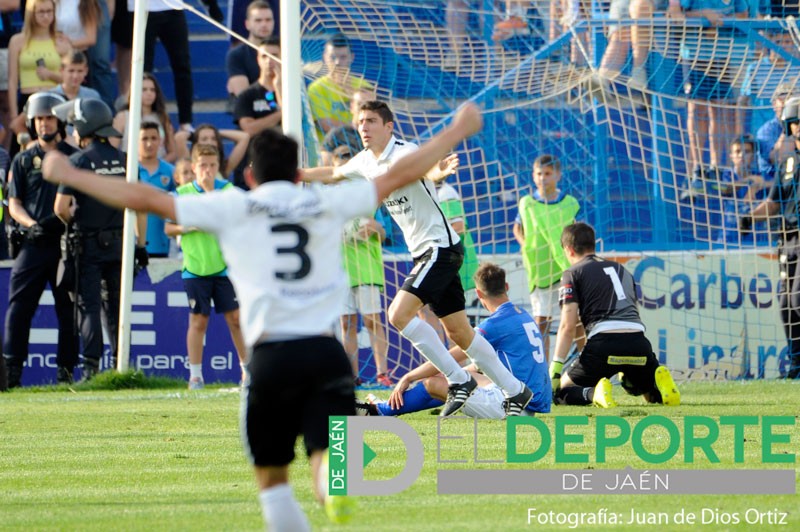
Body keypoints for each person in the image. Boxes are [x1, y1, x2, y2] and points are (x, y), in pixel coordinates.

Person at [40, 101, 484, 531]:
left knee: (272, 482)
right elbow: (401, 173)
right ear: (298, 175)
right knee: (325, 451)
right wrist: (455, 130)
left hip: (270, 357)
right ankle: (334, 483)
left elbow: (146, 199)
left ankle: (316, 490)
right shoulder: (325, 204)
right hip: (327, 354)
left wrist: (71, 174)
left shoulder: (235, 204)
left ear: (250, 176)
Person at [334, 100, 533, 417]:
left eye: (370, 120)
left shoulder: (403, 151)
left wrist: (439, 171)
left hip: (438, 248)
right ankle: (516, 390)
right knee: (460, 333)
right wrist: (301, 173)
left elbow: (427, 168)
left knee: (397, 314)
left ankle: (458, 380)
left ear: (389, 125)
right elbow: (332, 173)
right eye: (360, 122)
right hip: (433, 251)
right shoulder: (364, 162)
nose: (364, 127)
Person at [359, 262, 552, 418]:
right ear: (506, 287)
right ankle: (389, 407)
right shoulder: (522, 314)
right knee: (459, 376)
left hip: (511, 405)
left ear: (478, 293)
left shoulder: (494, 324)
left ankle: (381, 410)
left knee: (433, 383)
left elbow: (451, 357)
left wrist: (408, 377)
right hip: (530, 399)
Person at [52, 97, 148, 380]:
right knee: (117, 307)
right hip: (120, 244)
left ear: (84, 126)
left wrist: (72, 220)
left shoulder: (78, 161)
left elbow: (60, 208)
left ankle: (92, 369)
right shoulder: (125, 160)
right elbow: (139, 206)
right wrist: (140, 245)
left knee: (89, 306)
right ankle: (121, 366)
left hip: (88, 245)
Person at [549, 222, 681, 407]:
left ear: (569, 250)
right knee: (639, 389)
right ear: (593, 245)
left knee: (560, 393)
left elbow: (567, 326)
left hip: (603, 344)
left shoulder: (572, 273)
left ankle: (593, 394)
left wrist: (555, 368)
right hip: (638, 342)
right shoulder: (622, 270)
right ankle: (658, 389)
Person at [2, 91, 79, 388]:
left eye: (49, 117)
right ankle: (12, 373)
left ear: (59, 119)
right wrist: (31, 224)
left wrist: (63, 221)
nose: (44, 124)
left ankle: (66, 373)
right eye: (39, 119)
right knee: (19, 308)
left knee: (68, 311)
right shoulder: (22, 160)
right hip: (33, 243)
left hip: (65, 244)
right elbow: (14, 202)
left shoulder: (74, 157)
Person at [164, 144, 247, 389]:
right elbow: (169, 228)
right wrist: (188, 227)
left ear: (218, 167)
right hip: (195, 268)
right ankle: (196, 375)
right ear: (193, 167)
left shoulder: (228, 190)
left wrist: (211, 196)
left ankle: (247, 372)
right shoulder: (181, 194)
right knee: (198, 321)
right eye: (203, 166)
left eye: (212, 165)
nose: (207, 171)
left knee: (236, 319)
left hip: (225, 268)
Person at [742, 96, 800, 379]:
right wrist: (750, 217)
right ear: (789, 126)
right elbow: (775, 202)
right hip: (786, 238)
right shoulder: (787, 161)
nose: (799, 128)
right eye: (796, 123)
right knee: (786, 302)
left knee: (799, 298)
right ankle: (796, 364)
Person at [332, 142, 392, 388]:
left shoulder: (366, 197)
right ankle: (351, 375)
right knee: (347, 323)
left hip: (366, 269)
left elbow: (383, 231)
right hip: (340, 271)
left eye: (347, 157)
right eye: (340, 158)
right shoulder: (330, 201)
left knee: (372, 321)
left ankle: (382, 374)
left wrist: (374, 228)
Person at [512, 154, 581, 360]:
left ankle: (588, 366)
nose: (543, 178)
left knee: (574, 320)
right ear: (533, 176)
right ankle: (543, 368)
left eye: (548, 174)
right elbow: (517, 227)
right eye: (539, 173)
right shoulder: (527, 203)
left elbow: (579, 229)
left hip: (565, 269)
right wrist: (526, 245)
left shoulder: (570, 203)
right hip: (539, 270)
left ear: (558, 175)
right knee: (541, 321)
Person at [680, 0, 748, 170]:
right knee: (696, 108)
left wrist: (720, 20)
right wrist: (704, 15)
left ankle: (715, 166)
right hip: (695, 55)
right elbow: (678, 13)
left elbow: (743, 14)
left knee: (718, 108)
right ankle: (697, 166)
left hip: (721, 56)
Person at [7, 0, 71, 155]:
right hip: (27, 99)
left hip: (54, 99)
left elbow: (71, 79)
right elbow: (12, 80)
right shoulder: (18, 41)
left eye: (49, 11)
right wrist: (14, 115)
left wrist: (50, 75)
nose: (46, 16)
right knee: (23, 153)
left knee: (57, 150)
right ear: (31, 14)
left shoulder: (61, 41)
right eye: (41, 12)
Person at [307, 33, 373, 142]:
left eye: (343, 57)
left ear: (352, 57)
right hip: (329, 150)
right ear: (325, 57)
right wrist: (358, 127)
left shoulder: (364, 86)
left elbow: (373, 122)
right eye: (333, 57)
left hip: (360, 148)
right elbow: (325, 125)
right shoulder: (316, 88)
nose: (337, 63)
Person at [112, 73, 177, 162]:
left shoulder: (162, 117)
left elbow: (172, 152)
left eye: (152, 90)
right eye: (144, 90)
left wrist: (157, 165)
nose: (149, 93)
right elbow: (112, 149)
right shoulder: (123, 117)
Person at [137, 120, 175, 258]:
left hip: (161, 245)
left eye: (153, 138)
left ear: (160, 141)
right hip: (132, 245)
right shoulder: (129, 170)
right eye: (144, 138)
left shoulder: (170, 171)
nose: (149, 143)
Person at [225, 0, 275, 99]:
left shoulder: (284, 51)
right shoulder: (237, 55)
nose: (264, 24)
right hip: (251, 112)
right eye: (258, 20)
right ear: (247, 24)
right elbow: (244, 99)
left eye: (268, 20)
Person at [234, 37, 282, 136]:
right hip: (258, 150)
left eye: (274, 55)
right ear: (258, 60)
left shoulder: (295, 92)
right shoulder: (247, 95)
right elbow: (249, 129)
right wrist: (282, 114)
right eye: (264, 56)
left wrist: (279, 87)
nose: (269, 61)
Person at [174, 123, 250, 185]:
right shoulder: (190, 163)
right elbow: (179, 137)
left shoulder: (224, 167)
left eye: (213, 139)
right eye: (204, 139)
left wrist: (217, 132)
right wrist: (194, 134)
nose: (209, 142)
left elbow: (244, 137)